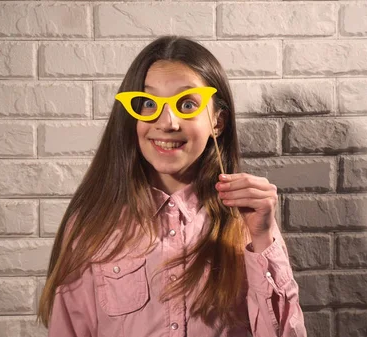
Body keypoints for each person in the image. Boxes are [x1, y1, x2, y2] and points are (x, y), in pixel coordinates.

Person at [37, 35, 307, 337]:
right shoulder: (92, 227)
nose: (167, 122)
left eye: (188, 103)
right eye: (149, 103)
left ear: (217, 122)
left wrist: (262, 237)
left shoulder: (247, 223)